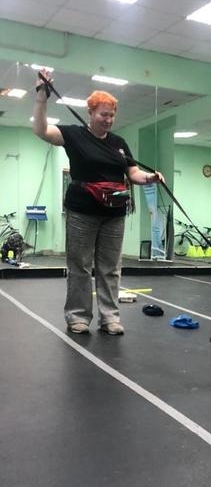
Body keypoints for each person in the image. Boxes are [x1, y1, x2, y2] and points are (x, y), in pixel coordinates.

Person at [32, 69, 165, 335]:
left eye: (112, 115)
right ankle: (78, 316)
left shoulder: (119, 143)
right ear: (91, 113)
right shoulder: (74, 135)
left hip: (114, 213)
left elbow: (133, 173)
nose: (108, 119)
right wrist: (41, 96)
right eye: (103, 114)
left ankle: (110, 318)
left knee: (110, 268)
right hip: (82, 211)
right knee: (80, 266)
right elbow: (41, 130)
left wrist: (150, 177)